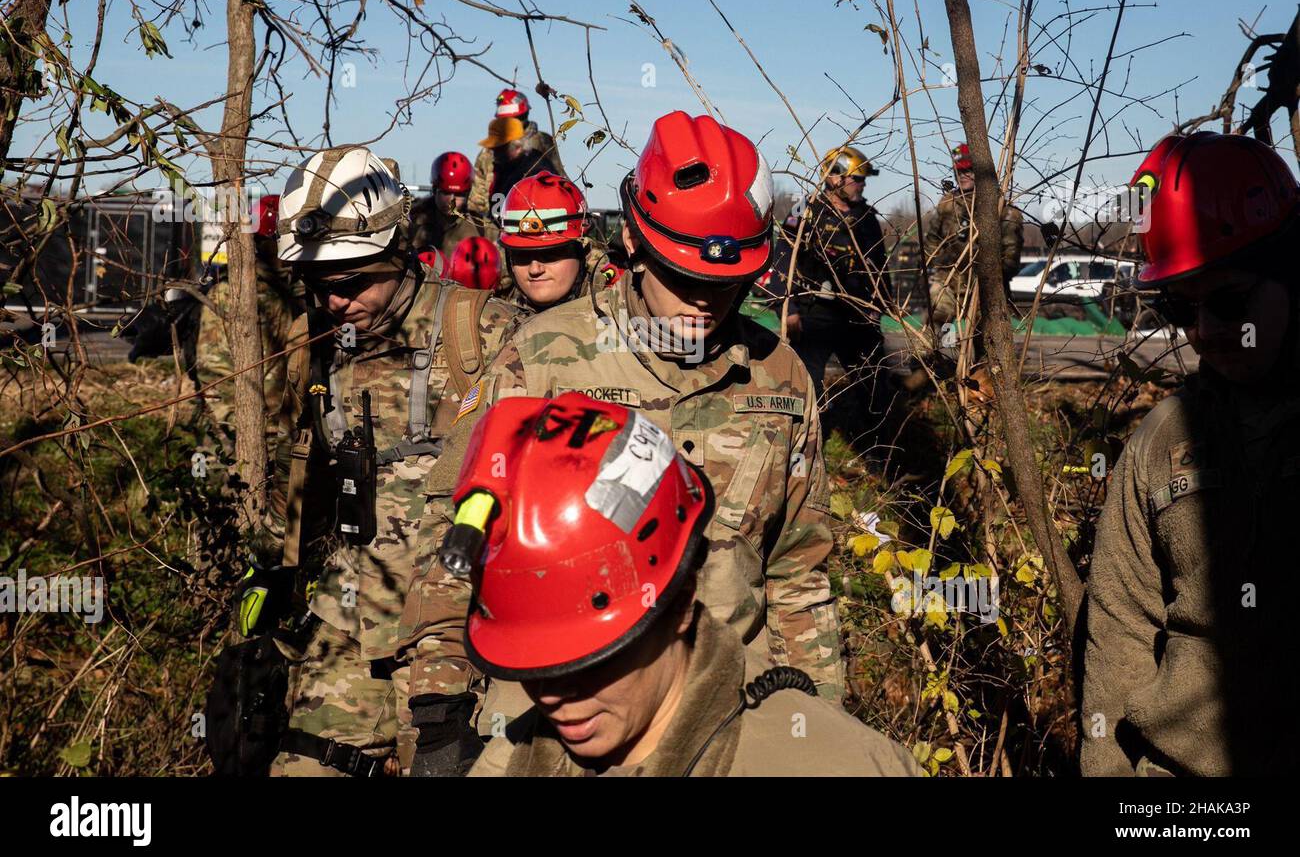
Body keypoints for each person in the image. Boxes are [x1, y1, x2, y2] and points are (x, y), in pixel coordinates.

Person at [401, 112, 845, 746]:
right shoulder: (541, 358)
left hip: (726, 719)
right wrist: (442, 708)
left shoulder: (781, 378)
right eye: (684, 277)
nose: (704, 302)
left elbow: (799, 568)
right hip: (557, 715)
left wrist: (816, 718)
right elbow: (455, 533)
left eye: (728, 284)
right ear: (633, 242)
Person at [437, 392, 919, 777]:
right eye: (534, 666)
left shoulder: (827, 763)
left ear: (682, 603)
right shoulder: (511, 761)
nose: (553, 696)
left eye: (593, 657)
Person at [249, 145, 519, 776]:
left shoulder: (484, 334)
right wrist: (282, 576)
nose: (334, 303)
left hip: (462, 641)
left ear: (400, 252)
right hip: (347, 627)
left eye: (350, 283)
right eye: (316, 286)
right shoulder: (315, 343)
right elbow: (306, 468)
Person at [1081, 131, 1300, 776]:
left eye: (1230, 301)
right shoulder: (1163, 443)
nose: (1203, 331)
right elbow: (1119, 630)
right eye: (1182, 306)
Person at [773, 145, 894, 442]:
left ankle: (880, 446)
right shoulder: (807, 210)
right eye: (857, 179)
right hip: (813, 314)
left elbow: (877, 264)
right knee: (806, 384)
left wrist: (880, 304)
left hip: (855, 315)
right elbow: (782, 260)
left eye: (864, 179)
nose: (862, 185)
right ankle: (806, 444)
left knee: (876, 381)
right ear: (835, 178)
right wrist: (786, 309)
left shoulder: (866, 217)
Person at [195, 193, 305, 451]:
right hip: (242, 442)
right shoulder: (233, 294)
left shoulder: (300, 291)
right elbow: (215, 375)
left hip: (289, 438)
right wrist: (248, 434)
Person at [922, 142, 1024, 335]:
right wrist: (933, 268)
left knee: (984, 343)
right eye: (958, 171)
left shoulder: (1003, 208)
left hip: (985, 289)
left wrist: (991, 279)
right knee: (934, 327)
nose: (962, 175)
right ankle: (929, 363)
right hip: (949, 282)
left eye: (968, 170)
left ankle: (978, 364)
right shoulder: (947, 203)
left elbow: (1011, 256)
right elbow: (932, 241)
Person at [499, 171, 621, 313]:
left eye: (551, 254)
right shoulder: (496, 320)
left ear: (583, 252)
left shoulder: (619, 316)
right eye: (522, 256)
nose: (535, 270)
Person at [468, 89, 565, 219]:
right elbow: (478, 196)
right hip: (496, 220)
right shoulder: (487, 152)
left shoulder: (542, 143)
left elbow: (558, 179)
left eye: (513, 120)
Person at [409, 151, 498, 258]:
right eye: (446, 192)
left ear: (468, 193)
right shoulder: (412, 223)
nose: (452, 200)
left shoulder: (484, 230)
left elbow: (504, 271)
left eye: (459, 194)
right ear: (434, 189)